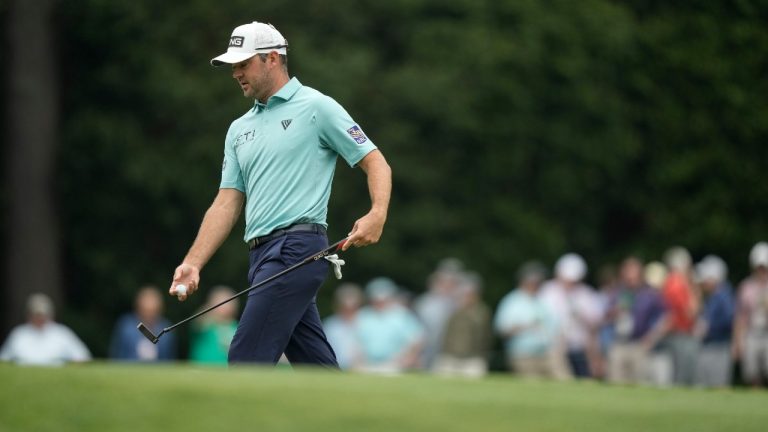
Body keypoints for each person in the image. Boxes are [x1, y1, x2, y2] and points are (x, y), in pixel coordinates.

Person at [168, 21, 392, 366]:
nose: (236, 73)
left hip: (296, 249)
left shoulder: (317, 107)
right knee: (316, 369)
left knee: (246, 357)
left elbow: (375, 162)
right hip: (261, 257)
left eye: (243, 64)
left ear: (272, 58)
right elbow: (226, 202)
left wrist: (377, 213)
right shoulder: (238, 129)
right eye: (233, 66)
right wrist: (193, 263)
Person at [494, 262, 567, 379]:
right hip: (523, 353)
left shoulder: (543, 300)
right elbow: (502, 330)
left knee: (563, 378)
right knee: (532, 383)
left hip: (547, 351)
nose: (537, 284)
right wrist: (525, 327)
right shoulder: (511, 302)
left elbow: (554, 327)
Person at [605, 257, 668, 385]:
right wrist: (615, 312)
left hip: (639, 344)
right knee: (615, 381)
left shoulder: (650, 294)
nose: (630, 278)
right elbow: (606, 317)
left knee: (638, 382)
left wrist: (651, 338)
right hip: (619, 343)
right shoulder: (617, 293)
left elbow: (667, 318)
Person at [539, 253, 602, 378]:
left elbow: (595, 325)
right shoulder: (547, 291)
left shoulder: (586, 294)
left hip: (580, 348)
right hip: (554, 347)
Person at [355, 278, 424, 374]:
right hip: (367, 364)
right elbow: (355, 342)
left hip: (396, 364)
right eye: (376, 300)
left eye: (383, 299)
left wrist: (407, 359)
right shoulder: (363, 315)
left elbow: (417, 340)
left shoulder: (402, 315)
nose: (380, 303)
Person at [0, 293, 91, 366]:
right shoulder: (19, 333)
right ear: (29, 315)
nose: (40, 318)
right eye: (36, 315)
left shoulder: (62, 333)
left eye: (42, 315)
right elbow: (4, 359)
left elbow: (82, 356)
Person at [433, 272, 491, 378]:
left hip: (473, 358)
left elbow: (481, 333)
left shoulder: (481, 312)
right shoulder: (452, 309)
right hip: (450, 356)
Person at [693, 255, 735, 387]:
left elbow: (728, 321)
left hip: (719, 347)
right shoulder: (712, 296)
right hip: (710, 346)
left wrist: (709, 328)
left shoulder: (723, 296)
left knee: (717, 385)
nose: (703, 282)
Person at [660, 246, 699, 386]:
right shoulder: (677, 284)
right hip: (681, 334)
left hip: (678, 333)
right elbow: (692, 311)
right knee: (683, 376)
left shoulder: (670, 282)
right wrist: (692, 287)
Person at [413, 258, 462, 369]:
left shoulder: (459, 303)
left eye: (452, 281)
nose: (447, 285)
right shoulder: (424, 303)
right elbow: (416, 329)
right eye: (444, 281)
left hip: (451, 351)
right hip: (427, 348)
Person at [733, 242, 768, 387]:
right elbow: (740, 317)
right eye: (759, 268)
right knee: (752, 373)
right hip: (751, 333)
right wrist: (737, 342)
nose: (762, 271)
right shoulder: (746, 287)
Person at [110, 286, 176, 361]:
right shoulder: (126, 327)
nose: (149, 316)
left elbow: (169, 360)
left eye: (153, 312)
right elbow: (116, 356)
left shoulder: (166, 331)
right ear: (138, 308)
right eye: (146, 311)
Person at [190, 286, 240, 365]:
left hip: (226, 368)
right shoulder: (206, 322)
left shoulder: (236, 326)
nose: (225, 307)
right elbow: (196, 323)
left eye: (228, 303)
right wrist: (210, 309)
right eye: (221, 302)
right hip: (201, 366)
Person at [323, 283, 365, 370]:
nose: (349, 312)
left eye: (353, 307)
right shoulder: (330, 325)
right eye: (345, 308)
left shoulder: (368, 322)